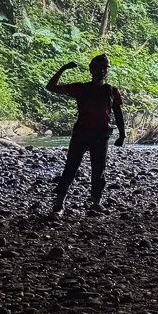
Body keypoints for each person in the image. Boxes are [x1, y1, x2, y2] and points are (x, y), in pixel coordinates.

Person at [46, 55, 126, 215]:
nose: (101, 71)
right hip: (82, 133)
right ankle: (59, 204)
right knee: (70, 168)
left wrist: (122, 135)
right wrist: (63, 69)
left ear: (107, 71)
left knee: (99, 171)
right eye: (98, 68)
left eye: (104, 68)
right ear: (91, 70)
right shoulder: (81, 88)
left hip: (101, 135)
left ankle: (96, 202)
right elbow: (51, 87)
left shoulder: (112, 91)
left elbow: (118, 113)